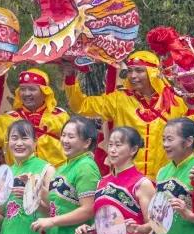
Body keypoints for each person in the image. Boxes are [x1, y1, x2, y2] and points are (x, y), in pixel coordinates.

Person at [63, 51, 185, 181]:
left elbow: (191, 140)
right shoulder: (119, 99)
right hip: (126, 181)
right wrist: (70, 77)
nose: (133, 76)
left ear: (154, 72)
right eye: (130, 71)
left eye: (139, 71)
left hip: (164, 180)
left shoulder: (175, 103)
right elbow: (82, 105)